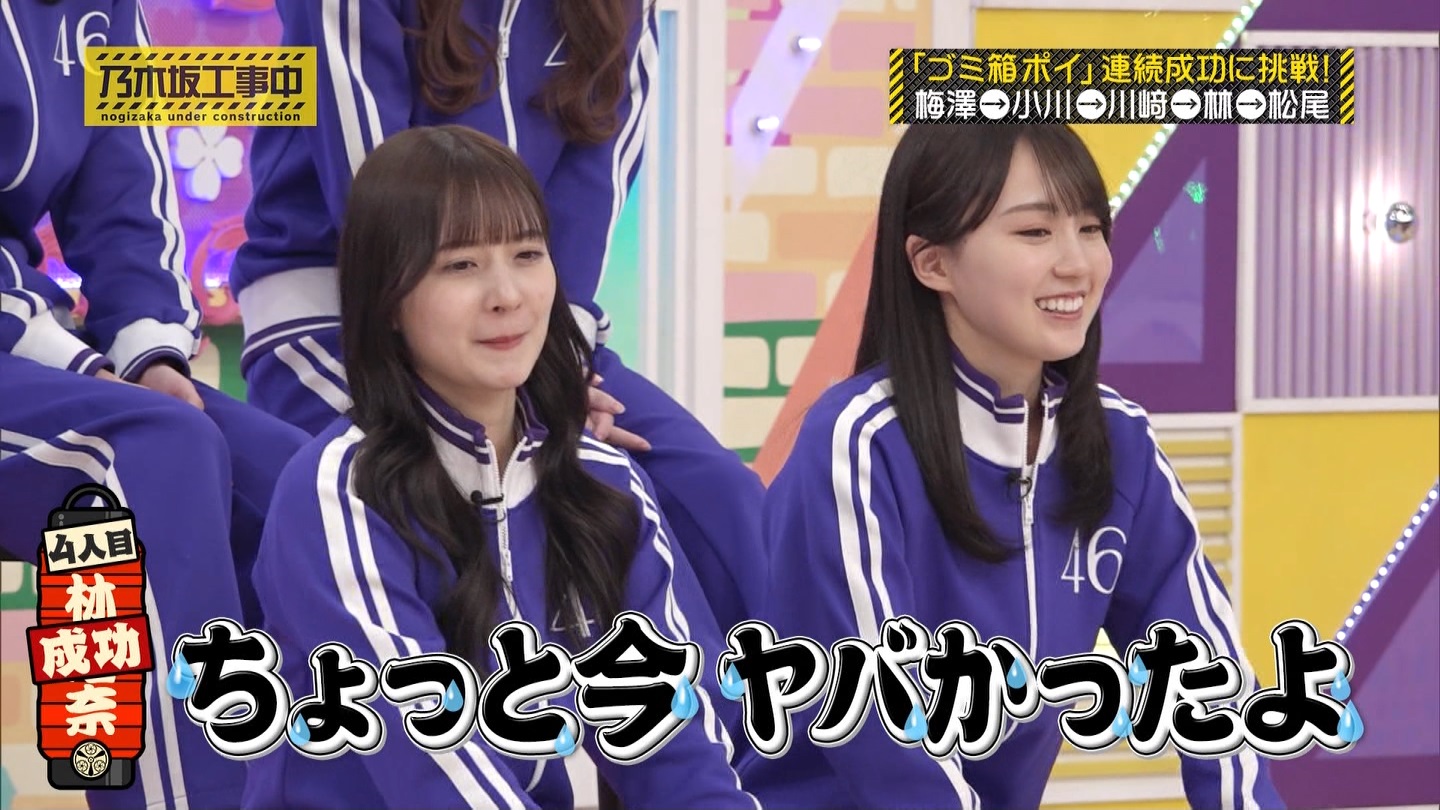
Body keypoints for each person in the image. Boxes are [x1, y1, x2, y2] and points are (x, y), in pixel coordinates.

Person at [738, 124, 1287, 810]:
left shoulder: (1119, 440)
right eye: (1035, 232)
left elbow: (1206, 681)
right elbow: (884, 726)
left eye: (1090, 229)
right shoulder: (858, 440)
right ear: (933, 264)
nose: (1077, 264)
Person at [244, 125, 759, 810]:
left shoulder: (603, 477)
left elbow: (675, 741)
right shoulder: (342, 490)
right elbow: (432, 761)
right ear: (388, 300)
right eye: (460, 265)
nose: (507, 295)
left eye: (527, 254)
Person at [230, 0, 767, 635]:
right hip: (340, 315)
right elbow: (381, 210)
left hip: (535, 328)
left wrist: (553, 361)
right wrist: (523, 379)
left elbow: (592, 185)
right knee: (452, 495)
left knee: (717, 495)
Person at [0, 0, 309, 807]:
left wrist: (149, 353)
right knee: (146, 458)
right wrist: (77, 362)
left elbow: (127, 208)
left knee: (291, 476)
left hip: (25, 342)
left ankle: (294, 788)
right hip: (21, 337)